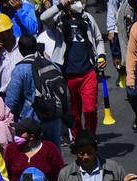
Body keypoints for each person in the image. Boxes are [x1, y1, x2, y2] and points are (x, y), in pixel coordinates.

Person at [39, 0, 105, 136]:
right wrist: (60, 5)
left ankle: (90, 137)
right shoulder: (58, 20)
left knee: (90, 109)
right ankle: (77, 138)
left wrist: (101, 55)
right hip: (68, 74)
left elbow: (98, 39)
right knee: (74, 112)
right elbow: (43, 17)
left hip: (88, 71)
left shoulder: (87, 18)